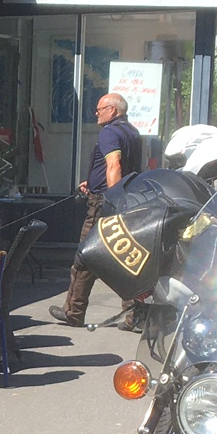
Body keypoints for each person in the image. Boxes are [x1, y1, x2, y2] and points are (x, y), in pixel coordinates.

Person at [50, 92, 144, 327]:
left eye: (100, 108)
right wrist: (92, 182)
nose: (96, 113)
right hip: (127, 199)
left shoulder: (110, 132)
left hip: (106, 204)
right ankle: (136, 315)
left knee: (86, 256)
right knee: (124, 258)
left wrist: (112, 200)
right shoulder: (132, 132)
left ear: (113, 110)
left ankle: (73, 312)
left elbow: (114, 164)